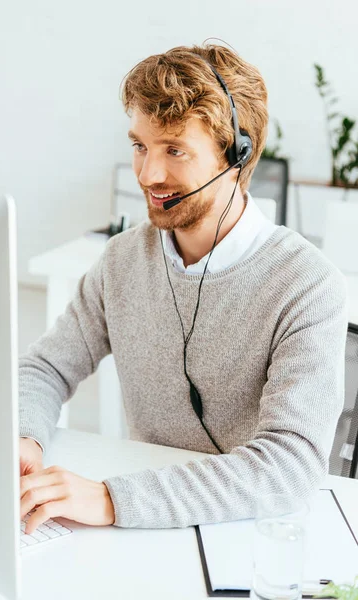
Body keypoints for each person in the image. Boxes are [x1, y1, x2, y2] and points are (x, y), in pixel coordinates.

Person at [19, 43, 348, 535]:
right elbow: (45, 367)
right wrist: (24, 437)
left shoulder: (306, 284)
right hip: (146, 530)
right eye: (140, 146)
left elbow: (290, 464)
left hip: (252, 533)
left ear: (236, 155)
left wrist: (112, 500)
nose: (148, 174)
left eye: (174, 149)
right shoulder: (124, 259)